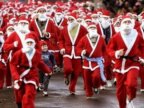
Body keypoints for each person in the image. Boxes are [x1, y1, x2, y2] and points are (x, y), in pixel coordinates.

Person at [107, 15, 144, 108]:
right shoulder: (116, 37)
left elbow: (142, 47)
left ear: (132, 24)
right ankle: (122, 106)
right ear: (122, 24)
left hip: (133, 62)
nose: (127, 24)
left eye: (129, 22)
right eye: (125, 22)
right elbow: (109, 50)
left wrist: (142, 57)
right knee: (120, 89)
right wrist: (116, 53)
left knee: (132, 84)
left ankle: (131, 97)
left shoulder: (137, 35)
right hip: (120, 64)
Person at [10, 35, 52, 108]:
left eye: (31, 43)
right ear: (25, 43)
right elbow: (13, 64)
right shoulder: (19, 53)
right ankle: (20, 104)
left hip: (32, 75)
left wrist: (48, 71)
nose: (29, 44)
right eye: (28, 43)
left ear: (33, 44)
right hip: (21, 75)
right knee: (19, 96)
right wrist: (16, 76)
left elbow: (40, 63)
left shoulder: (37, 53)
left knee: (29, 95)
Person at [59, 13, 88, 95]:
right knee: (68, 68)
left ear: (75, 20)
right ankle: (66, 75)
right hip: (67, 51)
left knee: (76, 72)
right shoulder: (65, 29)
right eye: (69, 20)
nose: (70, 21)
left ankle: (72, 88)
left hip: (77, 52)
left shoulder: (82, 28)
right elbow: (61, 40)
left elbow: (87, 38)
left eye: (72, 19)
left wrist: (84, 49)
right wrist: (62, 48)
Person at [77, 23, 107, 99]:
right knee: (87, 79)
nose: (93, 29)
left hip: (97, 61)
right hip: (87, 61)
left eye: (94, 27)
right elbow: (78, 48)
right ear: (88, 29)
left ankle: (96, 86)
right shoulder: (84, 38)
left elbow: (104, 49)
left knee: (96, 76)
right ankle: (89, 93)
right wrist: (82, 51)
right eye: (91, 28)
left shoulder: (101, 38)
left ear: (96, 29)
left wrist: (103, 58)